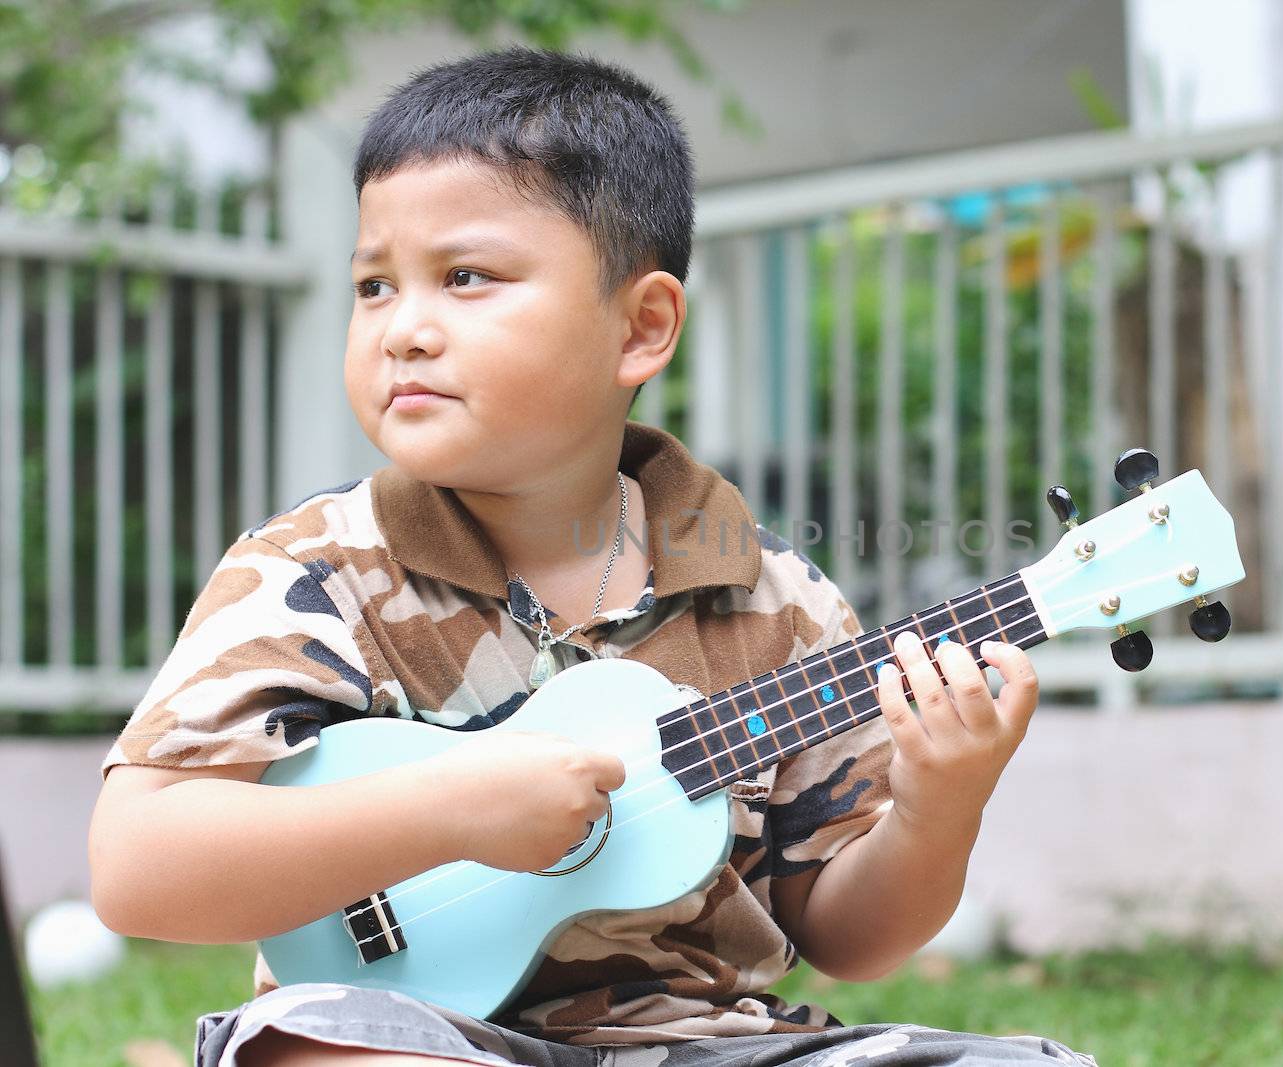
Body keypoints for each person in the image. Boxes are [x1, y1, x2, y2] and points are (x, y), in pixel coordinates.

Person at [87, 45, 1095, 1067]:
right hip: (418, 1035)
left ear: (641, 326)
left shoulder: (771, 597)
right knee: (317, 1049)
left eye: (465, 276)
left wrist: (939, 802)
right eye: (376, 285)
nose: (403, 330)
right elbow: (137, 864)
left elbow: (847, 934)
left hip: (708, 1044)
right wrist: (451, 806)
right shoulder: (317, 568)